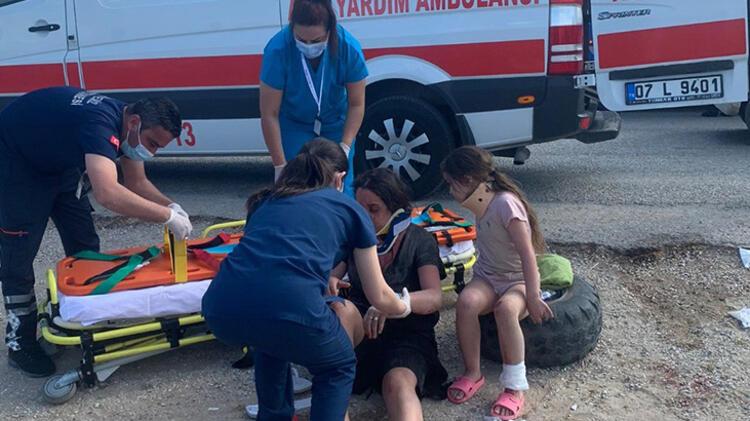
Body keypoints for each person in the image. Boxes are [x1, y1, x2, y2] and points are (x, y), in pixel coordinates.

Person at [201, 139, 410, 421]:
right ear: (339, 178)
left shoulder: (264, 202)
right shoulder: (349, 209)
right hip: (287, 306)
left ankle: (274, 416)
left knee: (269, 342)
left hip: (221, 309)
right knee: (338, 366)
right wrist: (403, 305)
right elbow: (380, 296)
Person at [0, 86, 191, 378]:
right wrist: (166, 217)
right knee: (18, 256)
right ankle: (20, 342)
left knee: (85, 244)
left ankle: (79, 318)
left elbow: (136, 182)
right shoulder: (100, 123)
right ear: (135, 122)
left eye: (158, 148)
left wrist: (173, 207)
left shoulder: (129, 125)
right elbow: (108, 194)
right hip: (16, 164)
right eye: (152, 143)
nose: (151, 152)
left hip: (57, 164)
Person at [441, 146, 554, 420]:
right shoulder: (481, 202)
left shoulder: (506, 204)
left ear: (468, 180)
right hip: (488, 278)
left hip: (517, 281)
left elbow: (528, 254)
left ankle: (514, 387)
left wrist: (534, 296)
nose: (450, 191)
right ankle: (473, 373)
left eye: (451, 184)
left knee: (505, 309)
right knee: (466, 302)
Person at [329, 168, 447, 421]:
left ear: (395, 209)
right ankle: (335, 384)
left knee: (398, 384)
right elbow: (333, 275)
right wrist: (331, 280)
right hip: (363, 328)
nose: (366, 217)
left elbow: (434, 297)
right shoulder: (355, 238)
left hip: (408, 334)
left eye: (374, 209)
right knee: (340, 309)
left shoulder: (419, 240)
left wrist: (396, 303)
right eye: (360, 209)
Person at [260, 0, 367, 195]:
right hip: (294, 124)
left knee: (341, 189)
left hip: (335, 123)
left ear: (330, 30)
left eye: (317, 40)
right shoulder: (277, 50)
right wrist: (280, 165)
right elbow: (269, 113)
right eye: (301, 40)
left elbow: (356, 104)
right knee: (297, 189)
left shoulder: (348, 48)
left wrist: (345, 145)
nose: (309, 46)